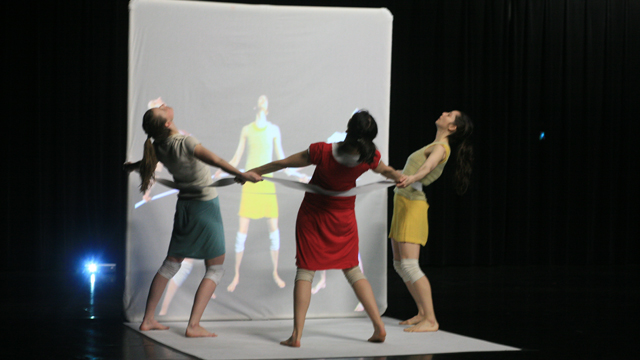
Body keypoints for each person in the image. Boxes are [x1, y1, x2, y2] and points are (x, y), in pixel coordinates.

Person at [243, 110, 404, 347]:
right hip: (343, 220)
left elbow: (283, 163)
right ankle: (378, 327)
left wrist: (256, 171)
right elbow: (387, 172)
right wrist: (399, 176)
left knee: (306, 272)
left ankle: (296, 336)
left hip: (314, 217)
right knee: (353, 270)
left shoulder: (323, 151)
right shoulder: (370, 156)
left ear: (348, 128)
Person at [124, 104, 261, 337]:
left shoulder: (159, 146)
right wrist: (242, 174)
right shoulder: (184, 142)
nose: (163, 106)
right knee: (215, 268)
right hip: (205, 207)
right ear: (167, 123)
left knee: (171, 263)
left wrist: (132, 167)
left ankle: (148, 320)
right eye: (161, 110)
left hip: (186, 206)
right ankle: (193, 326)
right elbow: (215, 159)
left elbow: (146, 164)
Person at [390, 110, 473, 332]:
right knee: (399, 264)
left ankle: (432, 320)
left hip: (412, 206)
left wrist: (410, 178)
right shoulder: (433, 145)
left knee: (409, 264)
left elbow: (426, 169)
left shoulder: (440, 148)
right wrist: (392, 174)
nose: (444, 113)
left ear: (452, 127)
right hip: (403, 204)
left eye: (450, 115)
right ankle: (422, 313)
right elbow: (411, 171)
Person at [217, 95, 307, 292]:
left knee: (273, 230)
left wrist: (296, 174)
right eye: (260, 98)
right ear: (255, 106)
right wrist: (222, 169)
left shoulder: (274, 130)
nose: (263, 99)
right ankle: (236, 274)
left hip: (266, 185)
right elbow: (237, 155)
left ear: (268, 108)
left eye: (266, 99)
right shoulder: (246, 129)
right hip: (250, 184)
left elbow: (282, 159)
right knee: (242, 232)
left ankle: (275, 272)